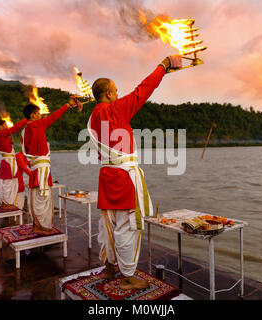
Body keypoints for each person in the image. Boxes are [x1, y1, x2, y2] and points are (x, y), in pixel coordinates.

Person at [87, 55, 182, 290]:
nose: (119, 94)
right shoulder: (115, 109)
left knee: (107, 223)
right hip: (123, 177)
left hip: (106, 176)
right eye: (116, 91)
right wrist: (163, 66)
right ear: (108, 94)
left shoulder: (93, 116)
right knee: (128, 225)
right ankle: (127, 276)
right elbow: (144, 89)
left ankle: (110, 265)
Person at [21, 96, 82, 235]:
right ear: (33, 115)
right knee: (43, 197)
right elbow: (55, 116)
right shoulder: (36, 125)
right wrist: (68, 104)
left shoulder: (25, 130)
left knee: (38, 197)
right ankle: (42, 227)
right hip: (41, 168)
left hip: (37, 168)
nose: (41, 114)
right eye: (38, 112)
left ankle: (38, 225)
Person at [0, 118, 28, 208]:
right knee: (8, 184)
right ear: (1, 126)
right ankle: (7, 203)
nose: (7, 127)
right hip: (8, 162)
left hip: (7, 162)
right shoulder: (1, 133)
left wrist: (10, 141)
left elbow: (7, 145)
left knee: (8, 183)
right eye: (5, 125)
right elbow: (15, 127)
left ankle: (6, 203)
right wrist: (26, 119)